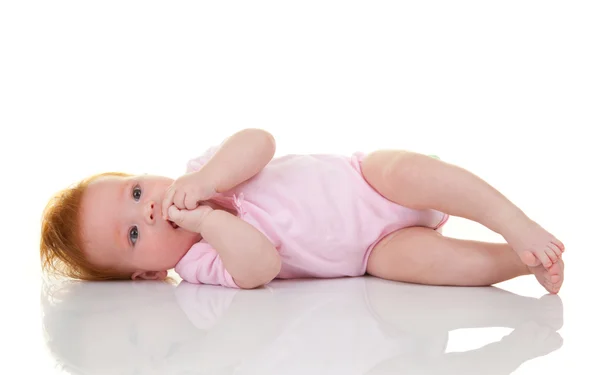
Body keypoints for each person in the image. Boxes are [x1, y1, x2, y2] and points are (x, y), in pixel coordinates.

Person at [40, 128, 565, 293]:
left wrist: (207, 184)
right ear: (150, 272)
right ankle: (520, 262)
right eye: (133, 234)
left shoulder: (203, 170)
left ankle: (514, 222)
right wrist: (209, 222)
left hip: (368, 180)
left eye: (135, 193)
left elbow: (259, 142)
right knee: (428, 268)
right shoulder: (199, 264)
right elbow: (260, 266)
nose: (150, 211)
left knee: (409, 171)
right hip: (373, 251)